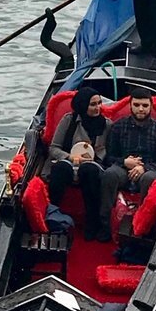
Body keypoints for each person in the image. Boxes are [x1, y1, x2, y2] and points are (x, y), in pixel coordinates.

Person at [98, 93, 156, 237]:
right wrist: (124, 162)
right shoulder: (118, 127)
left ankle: (142, 226)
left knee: (150, 179)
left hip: (148, 170)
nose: (141, 109)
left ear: (151, 107)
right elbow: (109, 157)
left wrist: (144, 167)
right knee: (109, 174)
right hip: (122, 169)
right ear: (131, 106)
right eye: (137, 105)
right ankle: (104, 225)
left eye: (145, 106)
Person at [48, 89, 109, 239]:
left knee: (89, 170)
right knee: (61, 168)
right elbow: (53, 148)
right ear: (82, 105)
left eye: (99, 103)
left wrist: (92, 158)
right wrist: (70, 157)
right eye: (93, 104)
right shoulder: (68, 120)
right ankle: (52, 216)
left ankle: (92, 222)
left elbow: (108, 151)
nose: (98, 108)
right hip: (68, 163)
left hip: (93, 166)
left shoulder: (107, 125)